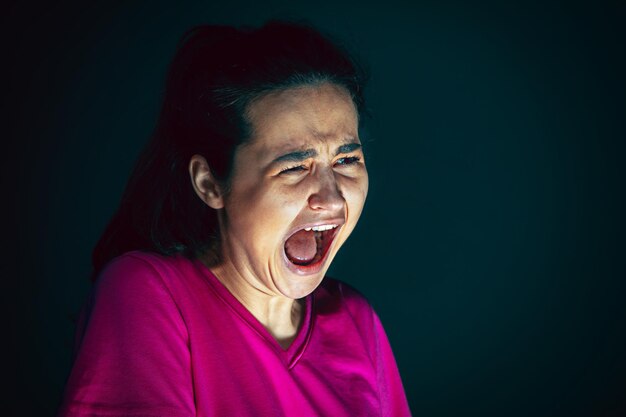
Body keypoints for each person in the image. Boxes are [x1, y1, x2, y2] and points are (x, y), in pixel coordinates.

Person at [58, 20, 411, 417]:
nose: (332, 199)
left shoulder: (356, 319)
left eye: (346, 160)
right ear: (210, 184)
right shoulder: (146, 292)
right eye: (294, 167)